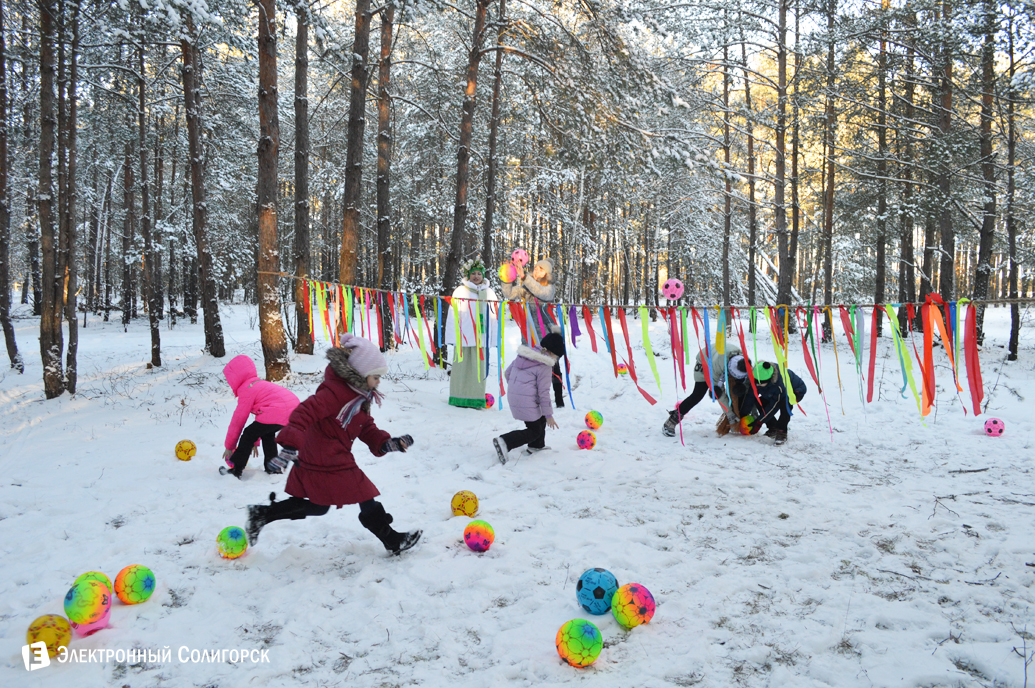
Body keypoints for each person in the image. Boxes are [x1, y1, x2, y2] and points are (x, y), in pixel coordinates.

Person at [244, 335, 421, 554]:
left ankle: (262, 514)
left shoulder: (359, 396)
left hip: (329, 454)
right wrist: (289, 446)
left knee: (319, 506)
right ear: (361, 374)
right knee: (364, 492)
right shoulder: (334, 393)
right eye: (375, 377)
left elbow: (365, 427)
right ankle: (392, 540)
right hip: (325, 455)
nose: (378, 382)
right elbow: (303, 412)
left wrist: (386, 443)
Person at [221, 355, 300, 478]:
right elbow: (262, 419)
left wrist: (229, 446)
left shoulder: (247, 389)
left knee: (248, 434)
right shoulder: (258, 384)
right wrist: (255, 441)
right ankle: (273, 468)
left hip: (278, 411)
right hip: (293, 411)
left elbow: (238, 420)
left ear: (235, 378)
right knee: (267, 434)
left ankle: (236, 469)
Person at [501, 255, 565, 407]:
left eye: (541, 269)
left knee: (552, 365)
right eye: (535, 268)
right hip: (529, 332)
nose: (536, 271)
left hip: (548, 333)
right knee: (532, 365)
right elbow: (509, 294)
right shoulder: (526, 287)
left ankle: (559, 398)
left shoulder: (549, 287)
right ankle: (534, 397)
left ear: (547, 273)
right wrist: (507, 277)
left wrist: (524, 277)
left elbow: (541, 293)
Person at [492, 332, 566, 464]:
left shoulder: (524, 355)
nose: (556, 359)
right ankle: (505, 441)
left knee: (539, 420)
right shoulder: (545, 365)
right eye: (556, 356)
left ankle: (536, 446)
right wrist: (549, 415)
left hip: (514, 396)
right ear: (551, 352)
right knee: (534, 431)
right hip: (527, 400)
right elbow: (543, 393)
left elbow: (508, 373)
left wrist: (517, 389)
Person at [444, 258, 499, 409]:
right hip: (464, 337)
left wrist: (493, 338)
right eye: (473, 273)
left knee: (478, 369)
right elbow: (453, 314)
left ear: (483, 276)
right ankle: (458, 397)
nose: (476, 276)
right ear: (468, 275)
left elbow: (494, 316)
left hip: (481, 338)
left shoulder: (489, 293)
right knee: (461, 368)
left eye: (479, 274)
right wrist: (452, 336)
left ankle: (476, 398)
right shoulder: (461, 291)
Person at [661, 345, 742, 437]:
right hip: (705, 362)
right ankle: (671, 421)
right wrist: (730, 414)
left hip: (721, 359)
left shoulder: (744, 363)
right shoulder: (717, 365)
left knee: (739, 390)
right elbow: (718, 392)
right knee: (698, 394)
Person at [747, 361, 808, 445]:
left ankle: (781, 432)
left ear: (769, 380)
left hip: (795, 391)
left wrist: (759, 422)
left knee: (785, 405)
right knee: (760, 401)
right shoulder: (758, 375)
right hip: (774, 391)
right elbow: (750, 396)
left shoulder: (779, 384)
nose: (757, 385)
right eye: (756, 382)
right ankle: (773, 428)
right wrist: (743, 414)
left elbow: (774, 406)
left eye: (761, 383)